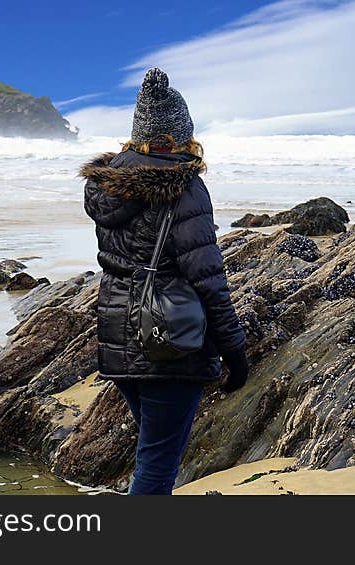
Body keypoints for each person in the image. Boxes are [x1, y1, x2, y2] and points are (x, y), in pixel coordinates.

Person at [80, 68, 249, 495]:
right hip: (169, 343)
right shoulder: (185, 189)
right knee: (156, 468)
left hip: (117, 335)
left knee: (151, 455)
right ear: (181, 135)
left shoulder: (108, 186)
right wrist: (235, 353)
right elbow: (209, 280)